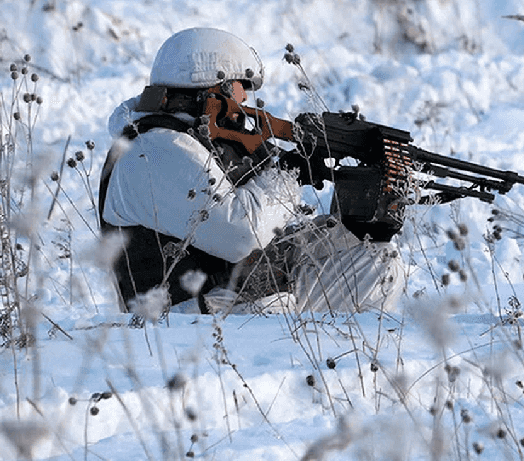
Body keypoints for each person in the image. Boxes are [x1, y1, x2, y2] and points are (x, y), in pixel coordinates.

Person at [99, 27, 405, 316]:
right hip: (180, 323)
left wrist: (351, 227)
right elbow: (239, 233)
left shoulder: (196, 143)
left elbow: (264, 240)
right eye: (241, 86)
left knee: (375, 256)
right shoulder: (155, 150)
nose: (245, 98)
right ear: (213, 88)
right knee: (309, 293)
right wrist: (290, 172)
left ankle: (354, 362)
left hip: (225, 299)